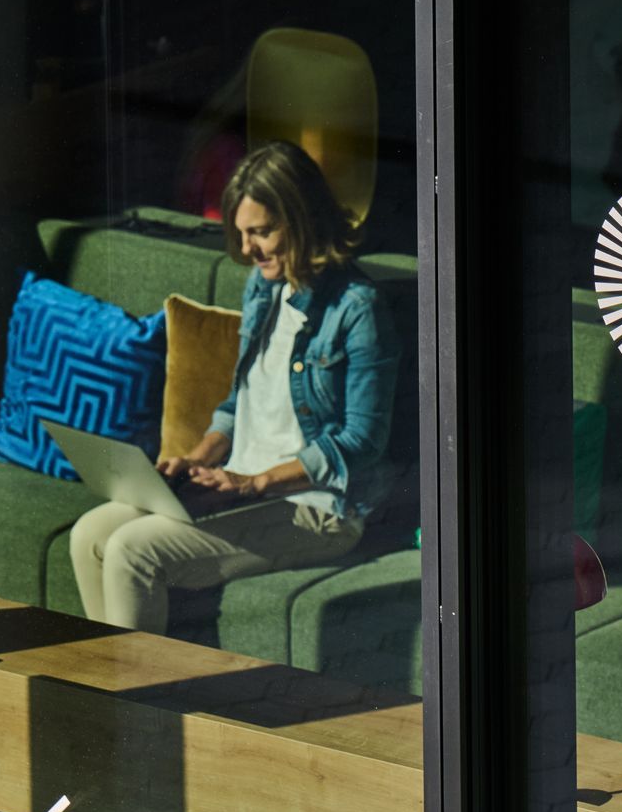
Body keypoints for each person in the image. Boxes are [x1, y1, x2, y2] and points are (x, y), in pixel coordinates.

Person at [71, 140, 399, 633]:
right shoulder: (264, 286)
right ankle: (108, 692)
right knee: (89, 534)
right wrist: (199, 457)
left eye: (262, 232)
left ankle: (136, 708)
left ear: (303, 219)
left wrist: (255, 483)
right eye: (243, 234)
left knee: (132, 551)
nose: (246, 249)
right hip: (242, 489)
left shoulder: (356, 308)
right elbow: (237, 402)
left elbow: (362, 442)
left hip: (316, 509)